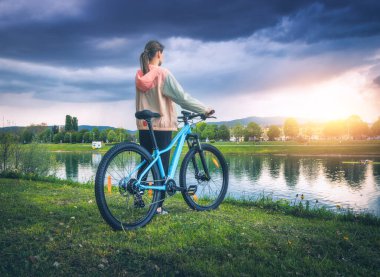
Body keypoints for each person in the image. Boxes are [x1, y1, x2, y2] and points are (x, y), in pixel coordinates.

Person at [135, 40, 214, 215]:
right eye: (162, 54)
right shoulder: (162, 73)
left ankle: (138, 194)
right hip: (161, 125)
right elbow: (182, 97)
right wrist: (204, 109)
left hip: (144, 125)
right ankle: (158, 206)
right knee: (161, 165)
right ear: (158, 54)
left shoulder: (140, 74)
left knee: (146, 162)